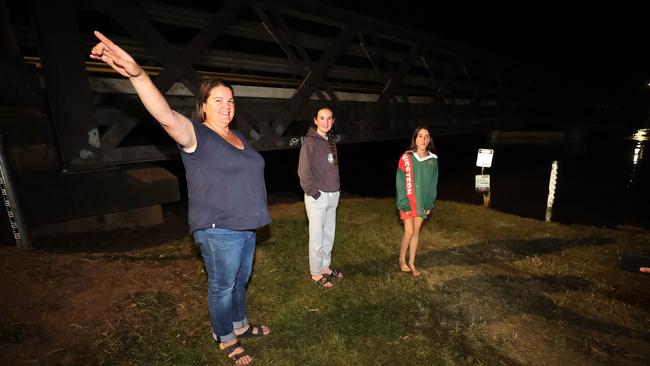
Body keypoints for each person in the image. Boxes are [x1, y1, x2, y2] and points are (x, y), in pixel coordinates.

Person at [90, 31, 269, 365]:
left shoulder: (238, 136)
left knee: (240, 280)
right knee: (222, 285)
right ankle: (225, 336)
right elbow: (164, 114)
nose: (226, 106)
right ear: (202, 107)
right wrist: (138, 75)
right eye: (218, 100)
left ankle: (240, 324)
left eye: (230, 101)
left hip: (246, 226)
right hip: (218, 228)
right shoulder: (195, 135)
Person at [298, 106, 343, 287]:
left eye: (329, 118)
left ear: (333, 121)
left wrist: (337, 190)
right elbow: (303, 172)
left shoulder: (330, 141)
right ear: (315, 120)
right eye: (322, 118)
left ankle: (325, 266)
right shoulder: (309, 143)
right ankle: (316, 273)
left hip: (333, 195)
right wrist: (314, 193)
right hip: (318, 197)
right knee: (317, 237)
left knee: (328, 234)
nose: (326, 122)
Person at [395, 126, 439, 277]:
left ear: (430, 140)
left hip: (421, 201)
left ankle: (412, 262)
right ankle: (402, 259)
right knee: (409, 231)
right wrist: (403, 202)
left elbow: (433, 183)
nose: (423, 139)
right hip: (407, 199)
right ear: (415, 138)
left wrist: (429, 203)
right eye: (420, 136)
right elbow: (400, 181)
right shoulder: (406, 157)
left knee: (416, 233)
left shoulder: (433, 160)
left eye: (426, 136)